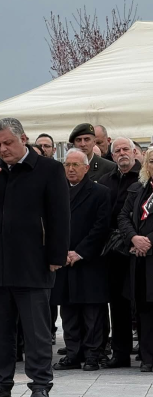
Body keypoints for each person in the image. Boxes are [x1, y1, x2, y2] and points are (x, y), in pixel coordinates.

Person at [0, 118, 70, 397]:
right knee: (0, 332)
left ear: (23, 139)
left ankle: (40, 384)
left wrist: (56, 255)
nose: (3, 149)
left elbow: (60, 216)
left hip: (33, 262)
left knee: (36, 333)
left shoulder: (49, 169)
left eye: (8, 143)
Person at [51, 149, 111, 372]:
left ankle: (93, 354)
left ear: (86, 168)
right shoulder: (57, 192)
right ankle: (73, 353)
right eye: (67, 164)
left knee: (91, 311)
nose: (71, 169)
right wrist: (61, 251)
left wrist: (79, 252)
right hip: (63, 260)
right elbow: (50, 224)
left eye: (76, 165)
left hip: (89, 261)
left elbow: (101, 227)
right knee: (68, 311)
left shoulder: (100, 192)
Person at [98, 137, 141, 368]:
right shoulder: (105, 180)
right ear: (112, 156)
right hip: (114, 250)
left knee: (142, 302)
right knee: (117, 302)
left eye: (126, 149)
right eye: (117, 150)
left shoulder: (144, 179)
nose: (122, 153)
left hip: (138, 248)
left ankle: (146, 351)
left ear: (135, 152)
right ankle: (120, 353)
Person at [118, 148, 153, 372]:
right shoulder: (138, 188)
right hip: (140, 261)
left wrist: (148, 241)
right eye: (152, 161)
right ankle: (148, 357)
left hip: (150, 252)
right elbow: (122, 216)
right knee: (144, 309)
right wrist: (133, 237)